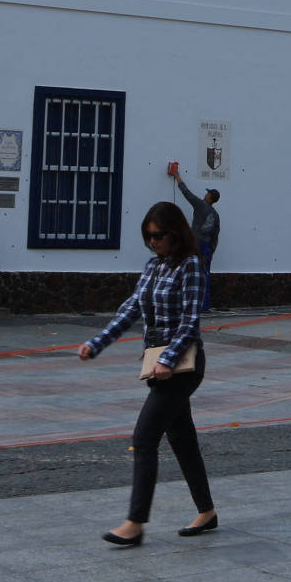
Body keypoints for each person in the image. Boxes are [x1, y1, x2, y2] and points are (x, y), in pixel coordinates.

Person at [80, 200, 217, 546]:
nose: (153, 242)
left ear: (175, 234)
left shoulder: (192, 266)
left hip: (182, 365)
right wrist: (96, 344)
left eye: (158, 236)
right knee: (182, 441)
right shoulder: (153, 267)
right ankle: (207, 512)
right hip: (156, 364)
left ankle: (135, 523)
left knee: (144, 439)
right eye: (147, 237)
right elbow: (130, 310)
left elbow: (190, 322)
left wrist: (169, 360)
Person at [169, 161, 221, 312]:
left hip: (196, 244)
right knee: (205, 275)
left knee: (189, 272)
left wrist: (177, 175)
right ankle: (204, 306)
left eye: (207, 193)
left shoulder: (200, 205)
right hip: (207, 247)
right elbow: (216, 234)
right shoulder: (215, 215)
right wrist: (211, 250)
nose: (205, 194)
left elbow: (186, 192)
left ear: (209, 197)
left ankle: (188, 303)